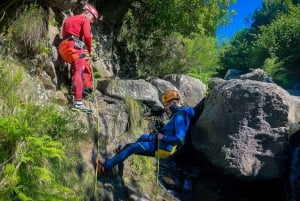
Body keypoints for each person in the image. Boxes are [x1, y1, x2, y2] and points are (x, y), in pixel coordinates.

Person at [95, 89, 195, 175]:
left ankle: (105, 166)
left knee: (133, 148)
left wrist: (163, 137)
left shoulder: (180, 115)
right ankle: (123, 151)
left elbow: (180, 139)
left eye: (166, 105)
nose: (166, 109)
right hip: (162, 143)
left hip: (164, 147)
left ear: (174, 103)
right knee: (143, 137)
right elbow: (172, 131)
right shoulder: (180, 113)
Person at [59, 4, 99, 113]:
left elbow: (66, 34)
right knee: (79, 72)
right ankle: (78, 103)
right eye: (93, 18)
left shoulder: (69, 19)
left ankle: (75, 89)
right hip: (74, 47)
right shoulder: (84, 19)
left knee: (76, 69)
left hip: (64, 47)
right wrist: (89, 51)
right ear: (87, 13)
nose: (91, 21)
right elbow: (87, 36)